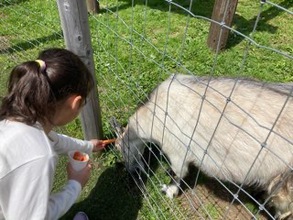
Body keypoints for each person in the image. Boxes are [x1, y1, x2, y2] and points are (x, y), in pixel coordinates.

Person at [0, 48, 106, 220]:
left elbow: (54, 141)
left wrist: (88, 146)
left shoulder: (16, 120)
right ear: (75, 103)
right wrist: (75, 184)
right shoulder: (39, 156)